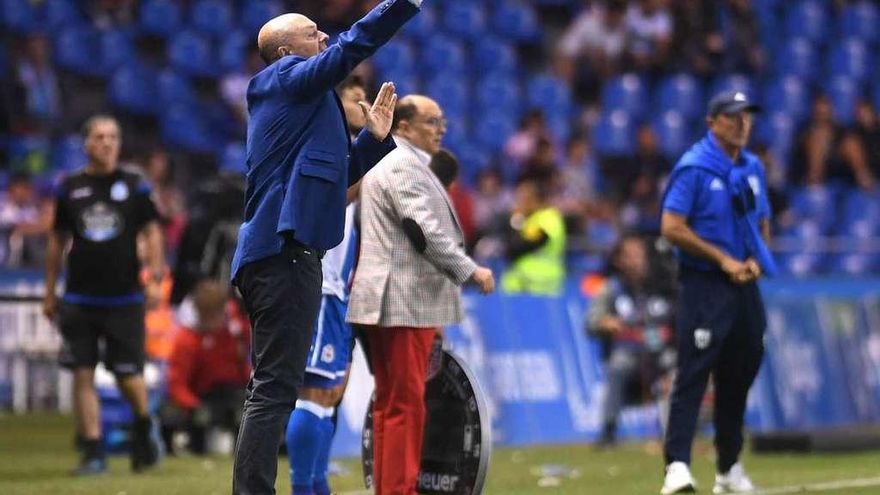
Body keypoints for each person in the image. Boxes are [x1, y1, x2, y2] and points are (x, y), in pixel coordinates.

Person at [229, 2, 420, 492]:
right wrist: (404, 5)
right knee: (276, 387)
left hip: (283, 251)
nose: (327, 39)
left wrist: (374, 141)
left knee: (276, 385)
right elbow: (354, 44)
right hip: (282, 251)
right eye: (315, 34)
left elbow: (333, 183)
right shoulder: (284, 78)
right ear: (287, 51)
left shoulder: (302, 107)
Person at [347, 95, 495, 495]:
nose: (441, 129)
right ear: (404, 127)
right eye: (432, 121)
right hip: (401, 301)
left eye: (442, 121)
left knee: (391, 403)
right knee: (406, 404)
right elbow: (423, 231)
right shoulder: (404, 166)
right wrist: (469, 269)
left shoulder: (393, 164)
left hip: (392, 299)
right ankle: (398, 490)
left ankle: (390, 488)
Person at [659, 91, 775, 494]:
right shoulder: (693, 168)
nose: (742, 124)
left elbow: (762, 222)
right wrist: (723, 259)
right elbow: (671, 226)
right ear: (712, 122)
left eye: (747, 116)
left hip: (744, 287)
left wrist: (755, 259)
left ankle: (728, 470)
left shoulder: (753, 167)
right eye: (733, 117)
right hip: (705, 285)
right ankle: (676, 466)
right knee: (693, 374)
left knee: (740, 374)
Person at [285, 75, 395, 495]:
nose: (364, 104)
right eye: (355, 98)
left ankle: (317, 480)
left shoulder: (346, 149)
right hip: (316, 286)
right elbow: (332, 196)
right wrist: (375, 158)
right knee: (313, 391)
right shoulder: (322, 144)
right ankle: (302, 485)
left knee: (329, 392)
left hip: (336, 287)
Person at [43, 114, 166, 475]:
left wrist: (156, 278)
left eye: (113, 137)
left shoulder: (135, 185)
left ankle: (144, 425)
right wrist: (50, 291)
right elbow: (57, 240)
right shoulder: (70, 187)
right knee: (82, 373)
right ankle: (94, 450)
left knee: (129, 374)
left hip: (125, 298)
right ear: (86, 144)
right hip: (80, 297)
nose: (107, 143)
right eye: (99, 137)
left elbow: (152, 232)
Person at [587, 234, 675, 447]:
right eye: (630, 256)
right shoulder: (611, 289)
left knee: (675, 367)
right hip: (628, 349)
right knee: (619, 365)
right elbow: (591, 322)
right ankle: (608, 431)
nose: (636, 261)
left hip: (661, 350)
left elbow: (678, 321)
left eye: (640, 255)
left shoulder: (663, 285)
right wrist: (606, 323)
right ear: (619, 261)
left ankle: (674, 431)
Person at [165, 280, 250, 455]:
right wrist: (195, 405)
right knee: (191, 416)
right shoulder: (187, 339)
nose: (215, 319)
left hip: (235, 393)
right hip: (202, 397)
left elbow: (246, 364)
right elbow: (176, 384)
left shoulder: (236, 332)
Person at [500, 177, 567, 296]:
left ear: (533, 199)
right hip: (526, 284)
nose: (518, 203)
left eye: (522, 198)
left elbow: (518, 248)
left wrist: (516, 220)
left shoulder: (547, 218)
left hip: (537, 285)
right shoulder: (533, 219)